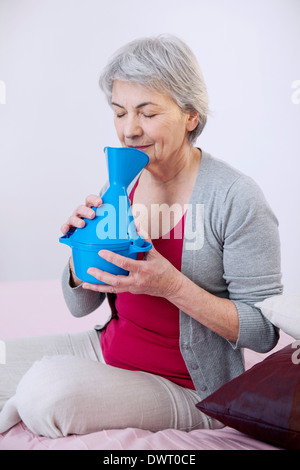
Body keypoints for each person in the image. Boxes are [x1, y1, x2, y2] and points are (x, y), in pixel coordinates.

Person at [0, 34, 283, 438]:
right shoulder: (121, 184)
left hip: (186, 386)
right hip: (107, 351)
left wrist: (171, 286)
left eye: (147, 113)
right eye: (119, 112)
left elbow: (263, 331)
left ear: (191, 115)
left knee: (46, 391)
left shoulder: (236, 198)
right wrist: (79, 256)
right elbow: (81, 305)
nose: (129, 130)